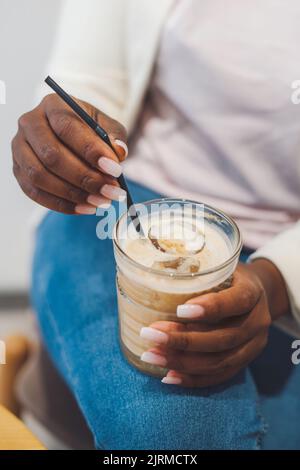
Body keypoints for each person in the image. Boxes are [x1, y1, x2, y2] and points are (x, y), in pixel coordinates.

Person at [11, 0, 300, 449]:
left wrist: (278, 280)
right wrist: (65, 139)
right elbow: (87, 83)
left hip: (282, 253)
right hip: (123, 210)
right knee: (173, 431)